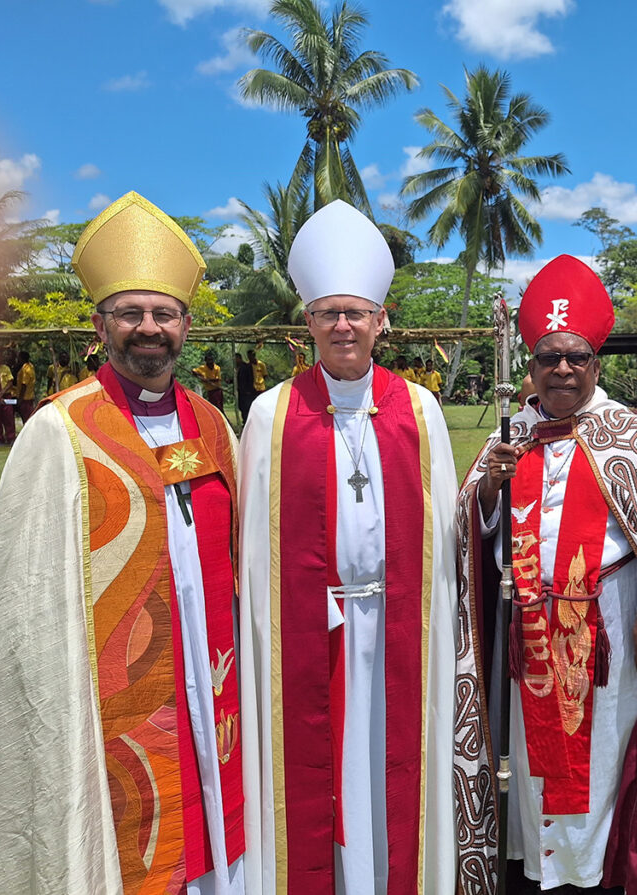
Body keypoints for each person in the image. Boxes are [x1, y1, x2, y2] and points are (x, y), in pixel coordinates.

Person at [0, 191, 246, 893]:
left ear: (187, 324)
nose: (148, 328)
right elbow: (25, 603)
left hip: (212, 673)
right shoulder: (59, 431)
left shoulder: (212, 424)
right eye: (130, 313)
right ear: (100, 325)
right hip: (120, 700)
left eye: (163, 314)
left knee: (218, 847)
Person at [237, 199, 490, 893]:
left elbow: (447, 536)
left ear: (382, 321)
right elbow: (256, 554)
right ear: (307, 324)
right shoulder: (271, 413)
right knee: (322, 763)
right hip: (311, 632)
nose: (343, 325)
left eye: (356, 312)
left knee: (394, 760)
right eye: (328, 313)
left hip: (403, 626)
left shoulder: (421, 409)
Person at [459, 254, 637, 894]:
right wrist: (489, 493)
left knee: (606, 751)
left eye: (575, 357)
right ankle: (540, 865)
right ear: (531, 367)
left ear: (596, 366)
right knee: (532, 759)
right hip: (528, 623)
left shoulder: (629, 438)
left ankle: (598, 870)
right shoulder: (512, 434)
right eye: (549, 357)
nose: (562, 369)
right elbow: (472, 534)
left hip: (605, 621)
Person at [0, 347, 17, 444]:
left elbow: (10, 382)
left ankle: (11, 438)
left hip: (6, 396)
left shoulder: (5, 368)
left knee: (8, 417)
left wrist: (1, 393)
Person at [13, 349, 36, 423]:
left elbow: (24, 385)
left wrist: (20, 399)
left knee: (27, 420)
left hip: (25, 399)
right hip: (29, 398)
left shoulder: (26, 369)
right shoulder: (30, 366)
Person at [235, 352, 257, 424]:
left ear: (239, 358)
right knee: (242, 408)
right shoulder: (237, 368)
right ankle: (245, 422)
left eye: (236, 359)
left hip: (247, 392)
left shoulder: (246, 367)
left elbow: (250, 378)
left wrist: (249, 390)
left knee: (247, 408)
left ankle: (248, 423)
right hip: (241, 392)